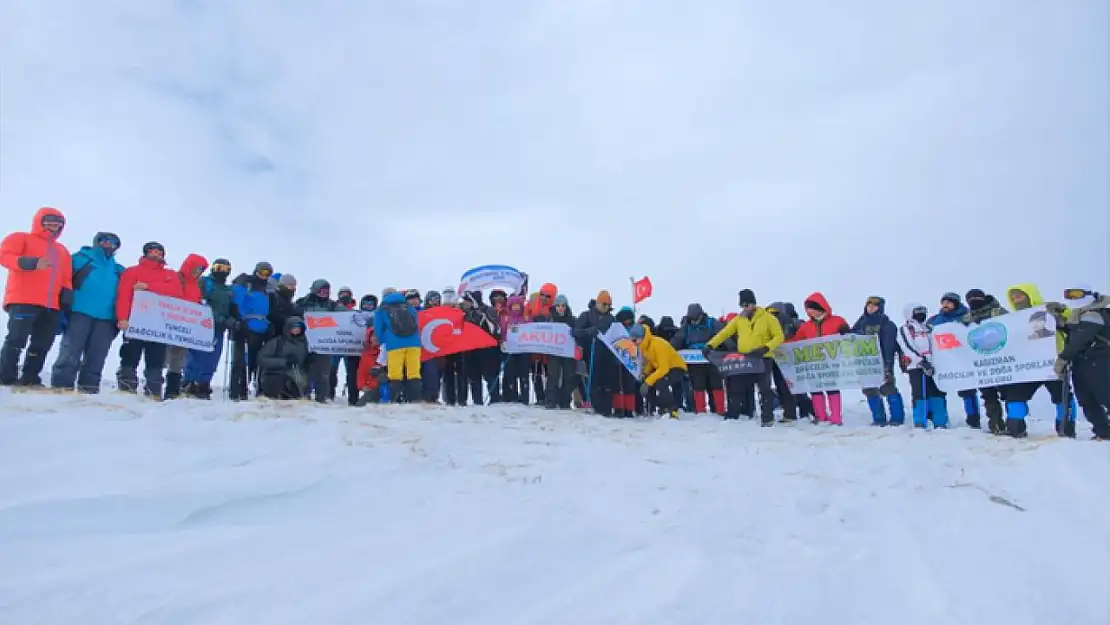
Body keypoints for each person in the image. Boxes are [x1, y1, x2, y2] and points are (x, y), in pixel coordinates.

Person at [0, 207, 73, 386]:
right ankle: (6, 377)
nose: (53, 225)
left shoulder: (62, 250)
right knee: (17, 339)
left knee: (42, 344)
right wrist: (30, 262)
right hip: (23, 299)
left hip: (51, 305)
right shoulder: (21, 238)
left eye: (58, 222)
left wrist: (67, 295)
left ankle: (30, 378)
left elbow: (66, 277)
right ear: (39, 221)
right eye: (49, 220)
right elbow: (4, 256)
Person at [50, 232, 122, 394]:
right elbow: (59, 277)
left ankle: (89, 390)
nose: (108, 244)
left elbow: (131, 287)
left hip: (107, 318)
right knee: (71, 350)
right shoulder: (79, 259)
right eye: (104, 241)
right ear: (97, 242)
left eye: (113, 242)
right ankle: (61, 387)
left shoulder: (118, 269)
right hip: (79, 312)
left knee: (97, 355)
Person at [1005, 283, 1080, 437]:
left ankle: (1066, 430)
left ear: (1030, 295)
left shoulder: (1050, 310)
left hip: (1053, 363)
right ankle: (1015, 429)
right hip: (1025, 366)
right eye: (1013, 298)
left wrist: (1062, 311)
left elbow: (1073, 321)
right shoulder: (1011, 320)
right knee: (1015, 395)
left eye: (1020, 296)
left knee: (1062, 396)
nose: (1017, 300)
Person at [704, 289, 785, 425]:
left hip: (763, 357)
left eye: (747, 305)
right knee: (736, 386)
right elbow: (725, 333)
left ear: (753, 303)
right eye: (742, 306)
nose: (745, 308)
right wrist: (710, 345)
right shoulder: (739, 319)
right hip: (745, 358)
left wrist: (766, 347)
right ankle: (732, 416)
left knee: (764, 388)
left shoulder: (768, 318)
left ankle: (767, 417)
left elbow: (779, 336)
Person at [115, 242, 184, 397]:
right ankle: (126, 390)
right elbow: (124, 296)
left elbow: (176, 293)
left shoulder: (170, 274)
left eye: (159, 251)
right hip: (135, 322)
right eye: (152, 251)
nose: (156, 254)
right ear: (145, 253)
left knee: (156, 359)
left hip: (158, 325)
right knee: (129, 356)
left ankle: (154, 392)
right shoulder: (132, 271)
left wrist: (148, 286)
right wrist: (122, 318)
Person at [1055, 283, 1110, 440]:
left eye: (1077, 294)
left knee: (1105, 396)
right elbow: (1073, 333)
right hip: (1081, 362)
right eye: (1069, 295)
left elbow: (1080, 339)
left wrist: (1063, 359)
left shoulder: (1095, 313)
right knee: (1086, 399)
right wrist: (1058, 321)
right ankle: (1103, 431)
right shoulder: (1079, 314)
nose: (1074, 299)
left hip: (1099, 361)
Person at [792, 291, 851, 425]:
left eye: (811, 308)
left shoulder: (838, 321)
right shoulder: (806, 326)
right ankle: (821, 416)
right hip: (813, 363)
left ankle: (836, 417)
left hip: (832, 361)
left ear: (820, 307)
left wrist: (846, 333)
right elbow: (796, 341)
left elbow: (850, 338)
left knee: (832, 387)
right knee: (815, 388)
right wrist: (781, 346)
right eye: (807, 309)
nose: (810, 312)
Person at [182, 259, 235, 399]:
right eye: (219, 267)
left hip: (219, 328)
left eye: (225, 268)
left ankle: (204, 383)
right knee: (196, 353)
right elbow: (199, 301)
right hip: (202, 324)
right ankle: (189, 381)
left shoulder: (227, 290)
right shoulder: (205, 282)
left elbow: (231, 308)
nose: (222, 271)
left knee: (213, 356)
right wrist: (217, 317)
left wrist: (230, 320)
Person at [963, 289, 1012, 434]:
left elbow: (1013, 329)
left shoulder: (999, 312)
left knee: (1009, 394)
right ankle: (996, 424)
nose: (974, 301)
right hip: (982, 363)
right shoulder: (967, 318)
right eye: (971, 299)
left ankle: (1014, 423)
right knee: (988, 395)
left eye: (977, 298)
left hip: (1003, 361)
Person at [851, 296, 906, 426]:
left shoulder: (887, 324)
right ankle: (879, 418)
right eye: (868, 305)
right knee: (869, 389)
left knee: (888, 387)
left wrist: (889, 365)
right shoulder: (861, 323)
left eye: (874, 306)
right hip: (865, 363)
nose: (870, 308)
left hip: (883, 361)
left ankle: (897, 418)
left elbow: (890, 344)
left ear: (879, 308)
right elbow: (852, 337)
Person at [163, 253, 209, 399]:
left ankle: (172, 390)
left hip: (184, 328)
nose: (198, 271)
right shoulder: (173, 278)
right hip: (167, 324)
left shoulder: (196, 286)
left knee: (179, 358)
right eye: (196, 268)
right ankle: (153, 386)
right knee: (162, 355)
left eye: (201, 269)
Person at [896, 303, 948, 429]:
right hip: (916, 366)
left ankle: (940, 420)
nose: (921, 314)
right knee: (919, 392)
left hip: (933, 364)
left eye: (923, 311)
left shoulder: (929, 328)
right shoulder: (906, 329)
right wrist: (920, 360)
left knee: (937, 391)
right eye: (918, 311)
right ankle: (920, 420)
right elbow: (907, 346)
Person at [228, 262, 274, 400]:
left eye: (267, 274)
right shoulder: (247, 284)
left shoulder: (268, 289)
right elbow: (236, 303)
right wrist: (238, 322)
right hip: (245, 327)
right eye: (262, 273)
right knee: (241, 361)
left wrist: (269, 325)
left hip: (261, 328)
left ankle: (257, 388)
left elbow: (269, 308)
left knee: (256, 360)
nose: (264, 276)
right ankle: (237, 391)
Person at [670, 303, 725, 415]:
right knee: (697, 385)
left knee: (716, 384)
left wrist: (730, 348)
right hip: (694, 362)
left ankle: (720, 410)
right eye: (692, 318)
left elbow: (723, 335)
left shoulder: (712, 323)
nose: (694, 321)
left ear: (701, 314)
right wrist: (669, 349)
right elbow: (678, 339)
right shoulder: (686, 326)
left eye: (696, 318)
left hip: (712, 359)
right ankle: (701, 411)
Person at [296, 279, 345, 402]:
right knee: (303, 369)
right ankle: (303, 395)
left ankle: (321, 397)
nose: (324, 293)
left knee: (323, 371)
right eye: (321, 291)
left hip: (324, 343)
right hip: (305, 342)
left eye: (326, 291)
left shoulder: (332, 305)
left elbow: (346, 316)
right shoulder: (302, 303)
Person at [374, 289, 423, 403]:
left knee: (395, 374)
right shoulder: (407, 305)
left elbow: (378, 329)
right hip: (414, 343)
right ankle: (414, 400)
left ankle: (394, 399)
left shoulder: (382, 309)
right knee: (414, 372)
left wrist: (384, 342)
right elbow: (416, 322)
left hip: (394, 344)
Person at [574, 291, 619, 416]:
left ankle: (607, 409)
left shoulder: (612, 319)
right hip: (591, 352)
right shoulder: (586, 315)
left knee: (607, 382)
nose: (606, 307)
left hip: (608, 355)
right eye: (604, 304)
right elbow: (575, 331)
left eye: (608, 305)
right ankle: (595, 406)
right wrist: (588, 332)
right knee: (593, 381)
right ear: (597, 303)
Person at [630, 323, 687, 419]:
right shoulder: (644, 346)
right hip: (663, 368)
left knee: (661, 382)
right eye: (632, 340)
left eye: (635, 340)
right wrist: (645, 374)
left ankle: (672, 410)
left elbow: (664, 368)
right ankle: (654, 408)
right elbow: (651, 362)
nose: (633, 343)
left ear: (641, 337)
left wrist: (648, 382)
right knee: (648, 382)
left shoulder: (657, 344)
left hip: (676, 367)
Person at [461, 291, 502, 404]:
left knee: (491, 376)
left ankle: (495, 400)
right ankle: (477, 401)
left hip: (488, 350)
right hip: (471, 349)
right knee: (474, 377)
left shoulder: (488, 310)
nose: (463, 303)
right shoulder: (464, 313)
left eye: (466, 300)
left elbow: (495, 329)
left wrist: (484, 316)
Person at [257, 317, 310, 400]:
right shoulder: (277, 342)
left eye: (298, 328)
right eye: (293, 328)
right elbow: (262, 359)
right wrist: (284, 362)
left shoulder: (306, 344)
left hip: (296, 375)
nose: (296, 330)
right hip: (275, 374)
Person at [543, 294, 577, 410]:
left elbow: (577, 332)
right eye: (558, 305)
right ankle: (550, 401)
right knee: (553, 375)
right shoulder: (550, 318)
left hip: (568, 352)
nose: (560, 308)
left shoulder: (572, 319)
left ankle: (565, 401)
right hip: (554, 351)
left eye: (563, 305)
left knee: (568, 376)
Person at [500, 295, 531, 404]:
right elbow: (502, 333)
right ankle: (512, 396)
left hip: (524, 350)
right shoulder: (505, 318)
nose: (516, 308)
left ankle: (525, 397)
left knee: (524, 374)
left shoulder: (527, 318)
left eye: (518, 305)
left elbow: (533, 333)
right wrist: (502, 342)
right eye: (514, 305)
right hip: (510, 350)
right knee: (510, 374)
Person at [355, 294, 383, 405]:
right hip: (370, 389)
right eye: (372, 336)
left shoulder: (385, 352)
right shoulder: (366, 355)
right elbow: (361, 372)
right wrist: (362, 386)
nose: (374, 339)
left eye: (377, 336)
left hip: (384, 388)